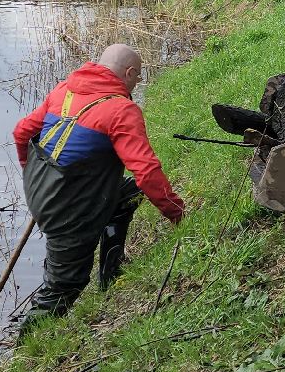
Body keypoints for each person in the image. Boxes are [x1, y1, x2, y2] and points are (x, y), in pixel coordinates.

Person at [12, 43, 185, 319]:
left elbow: (22, 133)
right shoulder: (120, 111)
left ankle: (110, 274)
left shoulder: (63, 91)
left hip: (44, 191)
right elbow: (147, 171)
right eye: (138, 77)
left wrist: (33, 176)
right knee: (64, 286)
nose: (137, 84)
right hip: (70, 210)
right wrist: (179, 215)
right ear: (129, 73)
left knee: (126, 195)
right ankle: (25, 352)